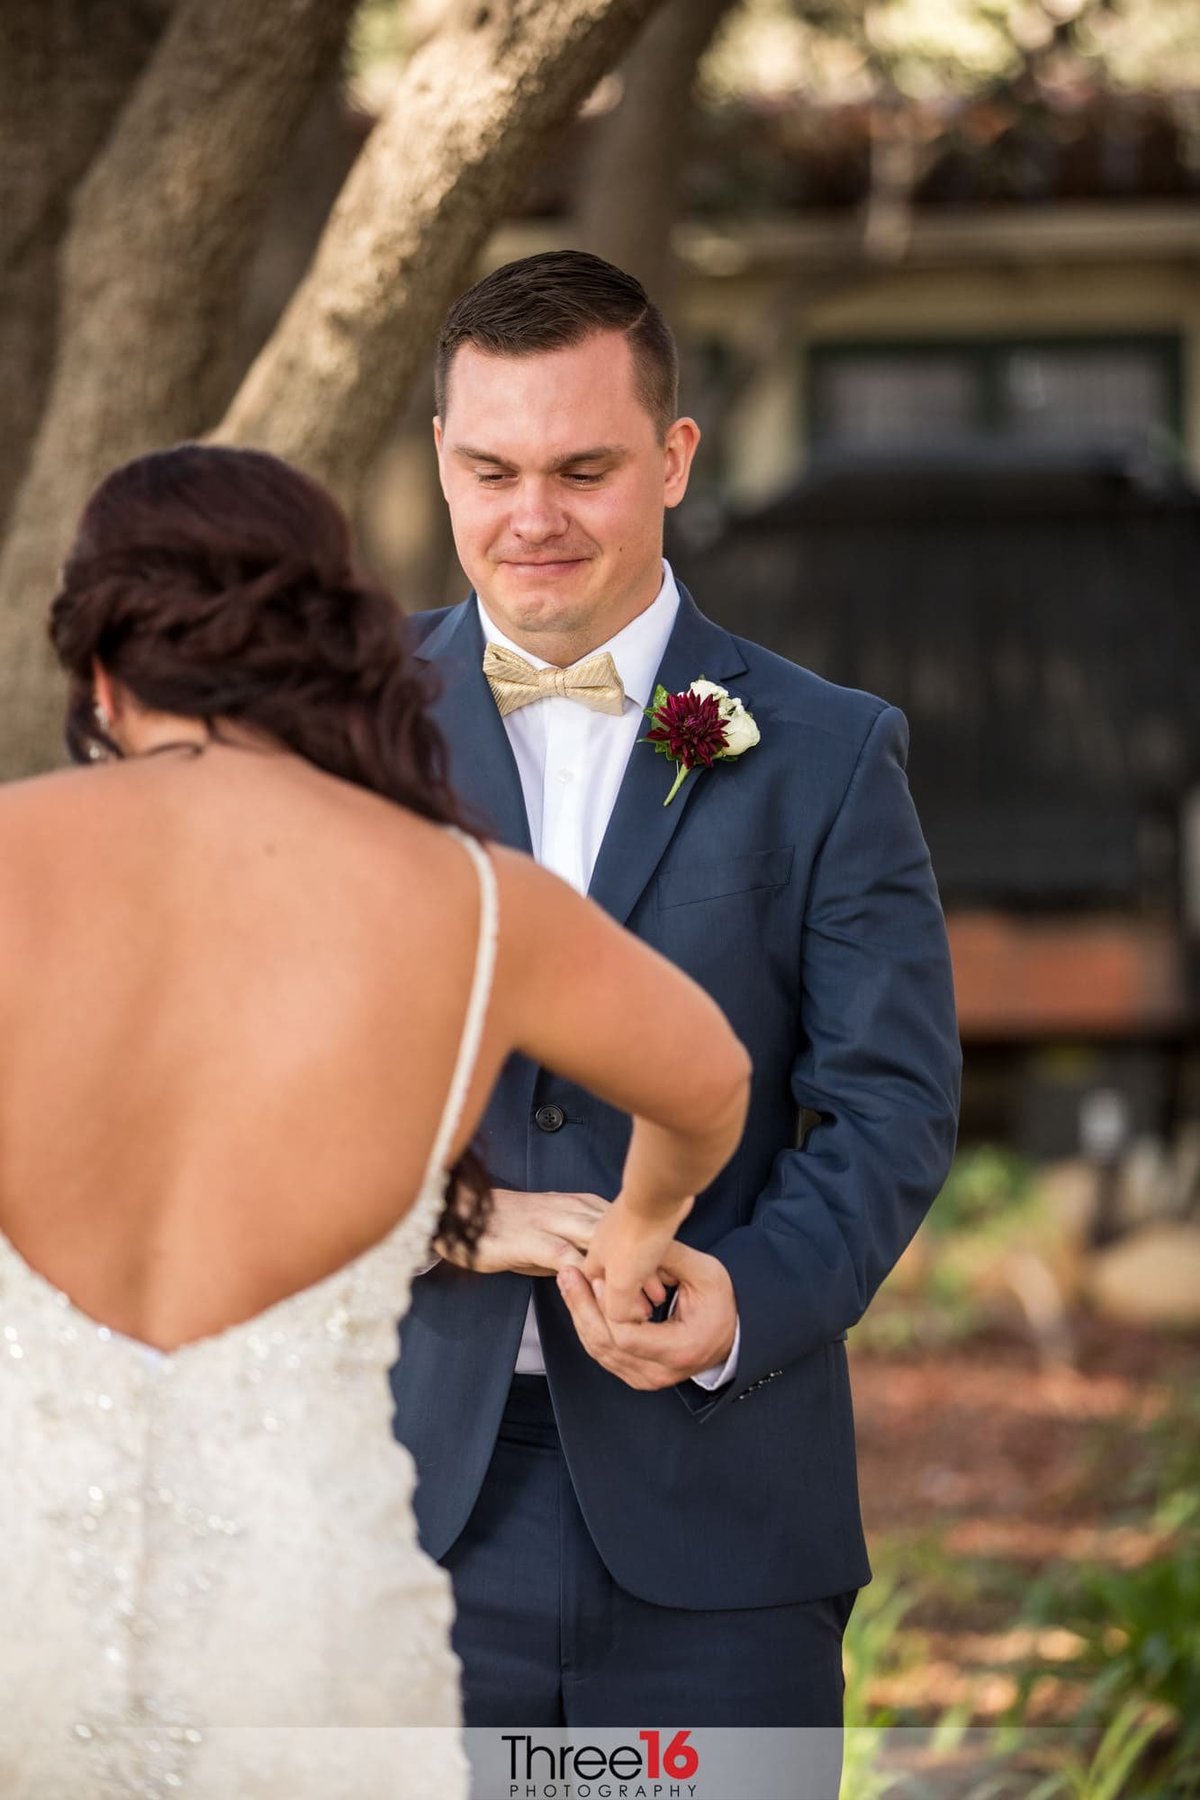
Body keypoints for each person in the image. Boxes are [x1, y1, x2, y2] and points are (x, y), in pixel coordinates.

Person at [0, 443, 750, 1800]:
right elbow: (707, 1081)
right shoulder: (464, 898)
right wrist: (638, 1227)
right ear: (323, 652)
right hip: (316, 1646)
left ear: (99, 670)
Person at [392, 250, 962, 1753]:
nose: (532, 518)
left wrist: (743, 1303)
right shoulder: (325, 741)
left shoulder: (832, 752)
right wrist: (448, 1217)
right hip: (388, 1511)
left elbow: (890, 1105)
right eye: (490, 468)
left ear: (674, 458)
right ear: (437, 459)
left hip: (724, 1518)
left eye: (583, 469)